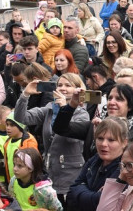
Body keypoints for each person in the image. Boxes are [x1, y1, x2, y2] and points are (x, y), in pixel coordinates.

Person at [14, 73, 89, 203]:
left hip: (70, 174)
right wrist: (25, 94)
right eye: (59, 85)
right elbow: (21, 118)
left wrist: (65, 109)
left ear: (77, 90)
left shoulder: (82, 113)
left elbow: (72, 139)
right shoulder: (50, 108)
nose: (62, 88)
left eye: (68, 85)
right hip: (50, 171)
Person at [67, 116, 126, 211]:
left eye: (111, 140)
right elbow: (71, 191)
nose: (104, 144)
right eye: (100, 138)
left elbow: (100, 205)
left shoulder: (124, 169)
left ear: (124, 143)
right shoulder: (95, 160)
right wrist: (90, 196)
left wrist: (82, 192)